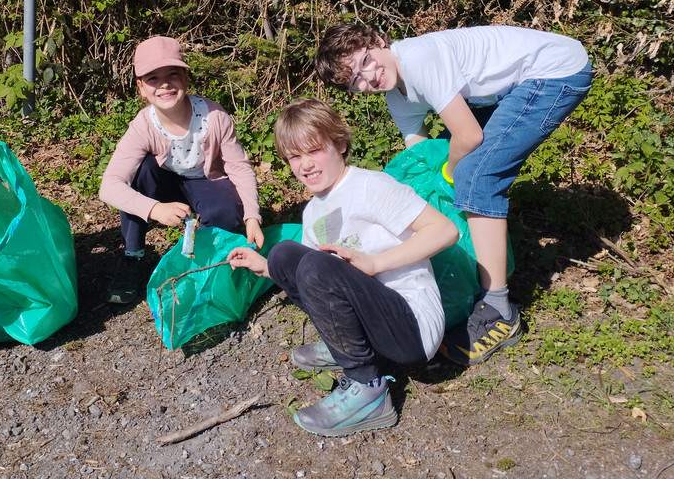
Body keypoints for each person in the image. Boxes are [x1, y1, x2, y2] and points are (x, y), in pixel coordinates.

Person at [315, 23, 592, 365]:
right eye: (355, 80)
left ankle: (499, 310)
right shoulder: (397, 97)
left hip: (555, 71)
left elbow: (469, 136)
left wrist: (450, 174)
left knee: (477, 175)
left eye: (365, 62)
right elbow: (421, 156)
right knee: (457, 160)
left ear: (379, 41)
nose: (368, 77)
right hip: (512, 86)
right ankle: (472, 272)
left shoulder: (418, 59)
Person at [227, 99, 457, 437]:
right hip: (377, 324)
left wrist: (376, 263)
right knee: (284, 255)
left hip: (411, 327)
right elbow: (315, 284)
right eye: (294, 157)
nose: (305, 164)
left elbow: (445, 230)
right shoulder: (312, 212)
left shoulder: (371, 186)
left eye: (314, 150)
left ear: (340, 144)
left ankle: (368, 388)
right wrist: (266, 266)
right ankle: (348, 346)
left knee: (315, 264)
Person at [99, 36, 263, 304]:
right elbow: (109, 186)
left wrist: (252, 217)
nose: (164, 84)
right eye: (153, 78)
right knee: (139, 172)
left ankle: (205, 261)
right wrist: (155, 209)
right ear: (141, 88)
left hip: (206, 182)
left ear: (186, 78)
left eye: (172, 74)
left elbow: (239, 168)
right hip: (165, 183)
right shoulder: (143, 126)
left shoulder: (214, 116)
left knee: (226, 209)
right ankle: (132, 255)